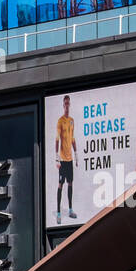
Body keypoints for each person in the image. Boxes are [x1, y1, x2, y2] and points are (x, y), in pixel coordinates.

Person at [55, 94, 77, 223]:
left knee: (70, 183)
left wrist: (77, 153)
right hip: (62, 159)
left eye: (69, 103)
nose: (67, 105)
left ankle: (70, 210)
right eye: (65, 103)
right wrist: (57, 158)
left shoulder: (72, 120)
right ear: (63, 105)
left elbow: (72, 138)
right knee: (60, 184)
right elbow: (57, 139)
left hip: (70, 159)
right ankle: (58, 212)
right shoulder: (60, 121)